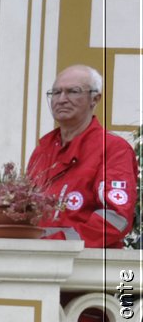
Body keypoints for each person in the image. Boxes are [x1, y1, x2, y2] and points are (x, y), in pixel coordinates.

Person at [27, 64, 135, 247]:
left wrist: (60, 245)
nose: (61, 99)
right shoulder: (42, 150)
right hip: (40, 261)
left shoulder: (112, 149)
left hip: (85, 266)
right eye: (55, 93)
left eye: (73, 92)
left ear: (95, 98)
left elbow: (116, 217)